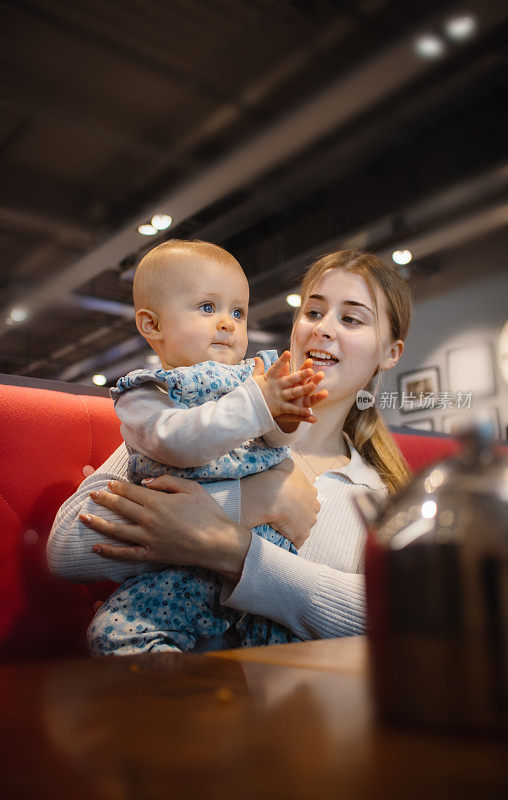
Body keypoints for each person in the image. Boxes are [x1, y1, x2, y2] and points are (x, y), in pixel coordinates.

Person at [48, 249, 412, 650]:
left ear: (390, 353)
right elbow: (67, 549)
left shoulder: (379, 493)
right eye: (313, 313)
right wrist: (248, 500)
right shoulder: (208, 420)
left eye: (351, 319)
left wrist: (236, 553)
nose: (323, 329)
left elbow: (393, 614)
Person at [86, 239, 326, 656]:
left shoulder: (254, 376)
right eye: (207, 308)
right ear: (152, 326)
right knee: (115, 633)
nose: (228, 324)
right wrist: (259, 403)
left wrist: (285, 420)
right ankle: (174, 707)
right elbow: (177, 442)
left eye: (238, 312)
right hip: (180, 567)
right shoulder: (148, 393)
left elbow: (276, 444)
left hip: (263, 561)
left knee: (287, 654)